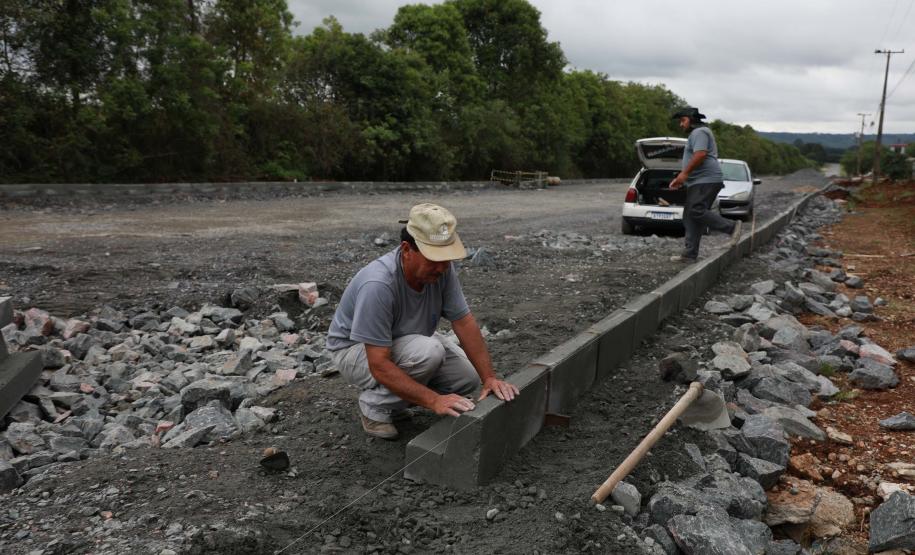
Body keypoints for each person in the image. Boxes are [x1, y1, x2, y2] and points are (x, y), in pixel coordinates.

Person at [327, 203, 519, 439]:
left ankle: (400, 399)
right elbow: (378, 363)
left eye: (446, 258)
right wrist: (434, 400)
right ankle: (374, 406)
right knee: (428, 352)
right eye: (434, 259)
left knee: (466, 378)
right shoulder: (378, 284)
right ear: (407, 249)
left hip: (407, 341)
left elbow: (464, 322)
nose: (441, 267)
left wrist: (489, 378)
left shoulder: (442, 270)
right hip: (355, 351)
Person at [668, 107, 742, 262]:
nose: (681, 124)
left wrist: (685, 174)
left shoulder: (699, 132)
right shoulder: (698, 133)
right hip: (699, 181)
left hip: (706, 179)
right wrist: (682, 178)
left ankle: (732, 227)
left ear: (691, 119)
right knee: (690, 216)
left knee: (696, 210)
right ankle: (689, 254)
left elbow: (700, 154)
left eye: (683, 120)